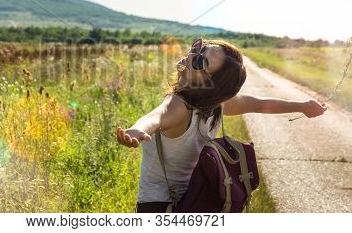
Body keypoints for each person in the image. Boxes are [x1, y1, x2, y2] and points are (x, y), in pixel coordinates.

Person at [116, 37, 327, 213]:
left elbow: (157, 116)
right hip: (199, 199)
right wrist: (303, 106)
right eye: (199, 48)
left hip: (160, 205)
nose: (191, 55)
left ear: (211, 85)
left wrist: (138, 129)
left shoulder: (179, 104)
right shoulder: (217, 105)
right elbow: (260, 105)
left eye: (200, 62)